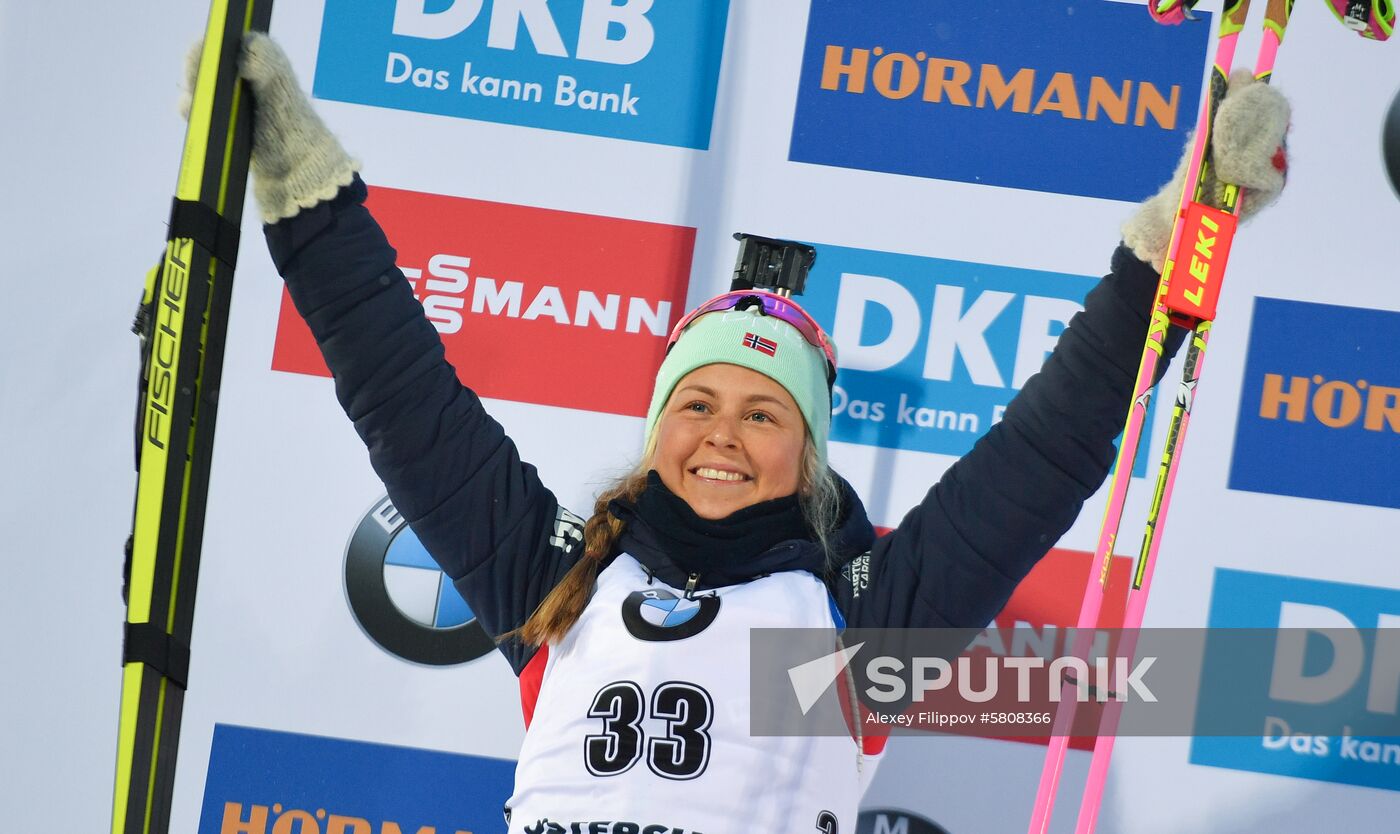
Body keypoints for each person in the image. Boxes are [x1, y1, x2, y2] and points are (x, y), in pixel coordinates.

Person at [231, 32, 1289, 834]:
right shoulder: (552, 578)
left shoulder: (863, 619)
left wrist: (1169, 250)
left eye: (761, 413)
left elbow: (1043, 452)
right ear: (654, 431)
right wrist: (301, 190)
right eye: (693, 404)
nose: (720, 436)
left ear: (806, 454)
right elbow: (405, 401)